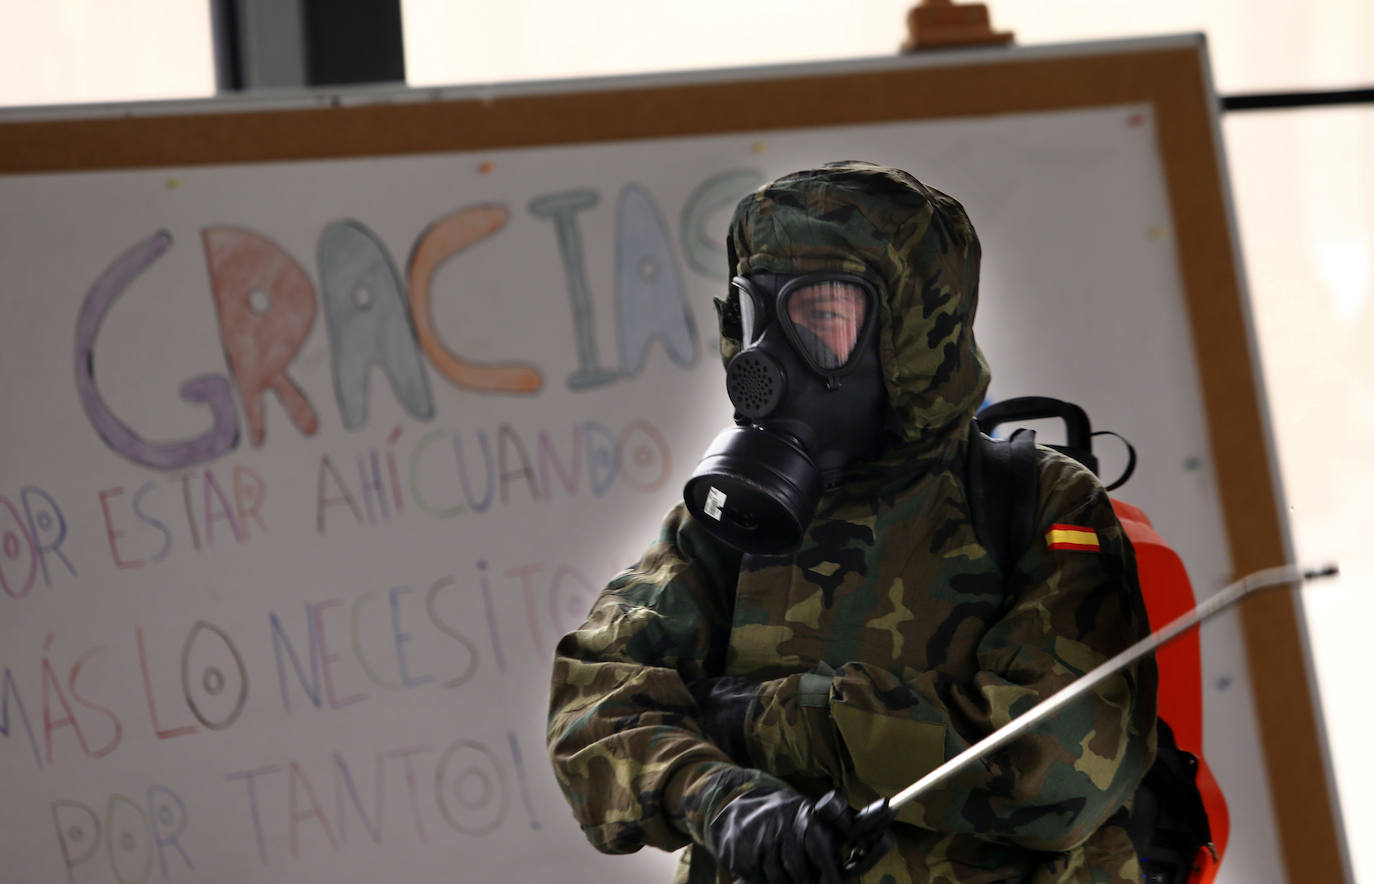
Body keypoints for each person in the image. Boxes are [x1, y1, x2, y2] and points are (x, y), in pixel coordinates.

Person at [546, 161, 1158, 883]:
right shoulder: (731, 516)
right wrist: (724, 800)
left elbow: (1061, 767)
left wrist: (761, 720)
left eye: (820, 319)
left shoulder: (1036, 502)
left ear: (909, 335)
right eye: (755, 317)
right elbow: (593, 707)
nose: (765, 361)